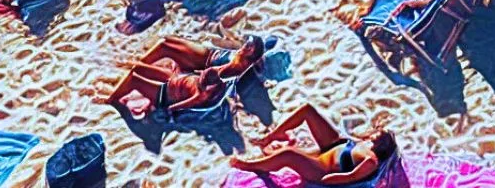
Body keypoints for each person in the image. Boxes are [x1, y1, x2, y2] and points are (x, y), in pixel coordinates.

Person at [229, 103, 397, 185]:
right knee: (308, 110)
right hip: (331, 148)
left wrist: (327, 180)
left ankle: (252, 165)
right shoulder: (366, 143)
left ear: (384, 146)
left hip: (321, 169)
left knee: (289, 154)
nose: (379, 133)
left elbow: (351, 177)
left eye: (383, 136)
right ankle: (272, 136)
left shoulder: (371, 160)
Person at [106, 35, 266, 118]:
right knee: (162, 48)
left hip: (182, 85)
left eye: (247, 46)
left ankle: (110, 99)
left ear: (249, 52)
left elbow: (198, 99)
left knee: (160, 51)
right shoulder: (234, 65)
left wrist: (172, 109)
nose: (243, 45)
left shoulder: (222, 76)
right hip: (185, 80)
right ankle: (131, 74)